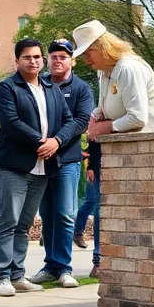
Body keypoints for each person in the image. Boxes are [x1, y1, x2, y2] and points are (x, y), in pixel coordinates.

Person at [0, 38, 77, 297]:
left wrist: (56, 141)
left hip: (43, 167)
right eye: (27, 57)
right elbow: (11, 122)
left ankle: (18, 275)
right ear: (17, 61)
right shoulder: (7, 87)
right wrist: (43, 142)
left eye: (37, 57)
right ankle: (2, 276)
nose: (33, 61)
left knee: (25, 223)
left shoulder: (50, 88)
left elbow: (69, 120)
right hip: (16, 166)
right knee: (9, 221)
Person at [31, 38, 93, 288]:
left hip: (66, 160)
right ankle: (51, 266)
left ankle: (65, 268)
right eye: (54, 56)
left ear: (72, 60)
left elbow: (81, 121)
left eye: (63, 56)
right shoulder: (38, 84)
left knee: (66, 214)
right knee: (47, 215)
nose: (58, 60)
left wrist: (57, 140)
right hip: (40, 160)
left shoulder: (81, 88)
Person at [74, 22, 154, 140]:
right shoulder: (103, 71)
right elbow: (105, 108)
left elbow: (138, 118)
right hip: (131, 147)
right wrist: (95, 116)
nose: (86, 60)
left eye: (88, 53)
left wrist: (106, 126)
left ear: (102, 47)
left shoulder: (129, 68)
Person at [73, 139, 101, 278]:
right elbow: (94, 141)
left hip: (100, 162)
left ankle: (77, 231)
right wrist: (91, 166)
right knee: (94, 205)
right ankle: (98, 261)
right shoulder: (96, 119)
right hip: (96, 164)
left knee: (92, 203)